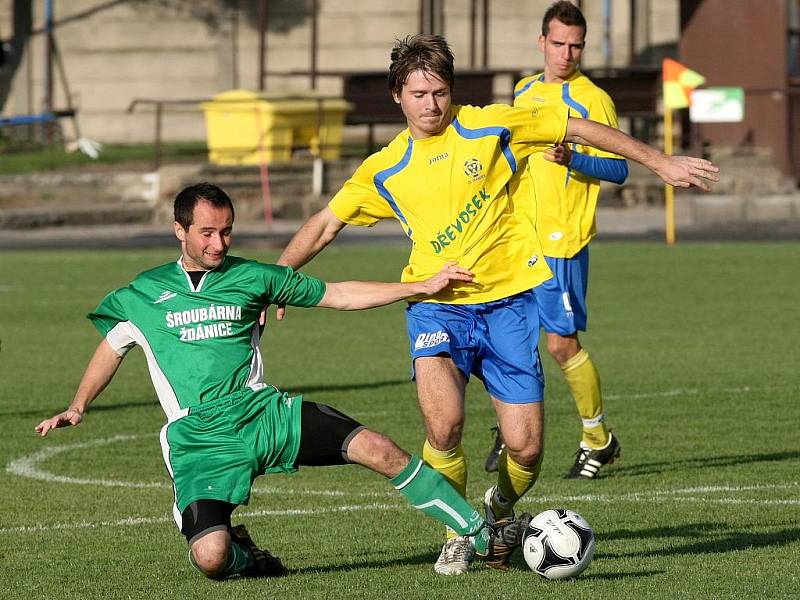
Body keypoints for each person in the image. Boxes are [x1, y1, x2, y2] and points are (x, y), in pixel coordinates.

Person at [274, 34, 718, 574]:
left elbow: (574, 127)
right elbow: (326, 222)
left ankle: (496, 510)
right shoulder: (386, 168)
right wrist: (277, 279)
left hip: (508, 305)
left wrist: (659, 162)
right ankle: (459, 532)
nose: (431, 105)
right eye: (418, 94)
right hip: (436, 305)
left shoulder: (492, 126)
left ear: (451, 91)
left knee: (526, 449)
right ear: (397, 96)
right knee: (445, 426)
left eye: (439, 92)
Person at [34, 182, 533, 579]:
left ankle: (481, 533)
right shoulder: (143, 293)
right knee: (211, 557)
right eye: (207, 232)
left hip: (262, 415)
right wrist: (79, 405)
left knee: (380, 448)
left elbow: (338, 293)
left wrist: (421, 286)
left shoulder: (254, 277)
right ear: (179, 230)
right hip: (199, 439)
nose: (218, 243)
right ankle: (248, 558)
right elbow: (112, 345)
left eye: (226, 232)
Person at [484, 1, 626, 479]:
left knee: (562, 344)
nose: (567, 53)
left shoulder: (592, 99)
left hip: (562, 240)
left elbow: (620, 167)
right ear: (542, 41)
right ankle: (511, 429)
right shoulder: (524, 90)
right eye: (559, 43)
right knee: (507, 338)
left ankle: (597, 437)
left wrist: (575, 160)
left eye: (576, 45)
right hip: (516, 236)